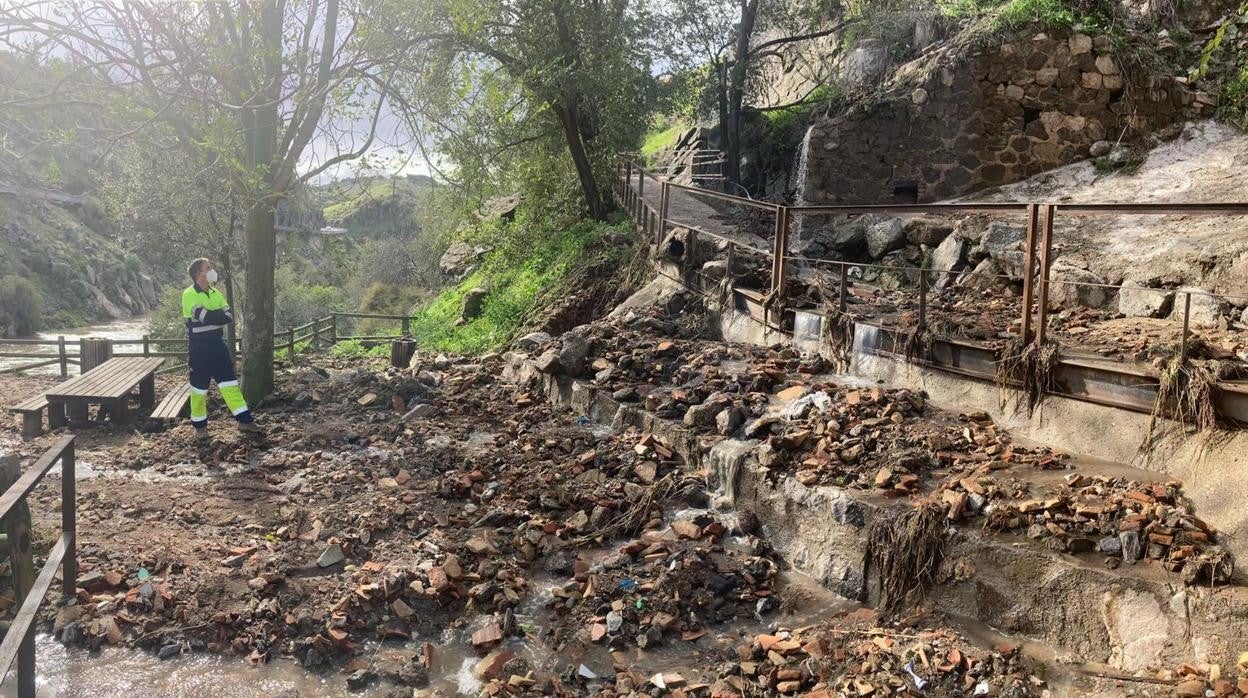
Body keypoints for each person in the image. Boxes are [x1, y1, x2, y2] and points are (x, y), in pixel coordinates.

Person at [182, 258, 262, 437]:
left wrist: (214, 315)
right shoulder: (189, 294)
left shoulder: (215, 292)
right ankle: (200, 428)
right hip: (199, 349)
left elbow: (228, 316)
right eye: (208, 268)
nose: (212, 271)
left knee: (230, 385)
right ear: (198, 274)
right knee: (199, 389)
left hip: (218, 346)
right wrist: (216, 315)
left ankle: (245, 421)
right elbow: (206, 317)